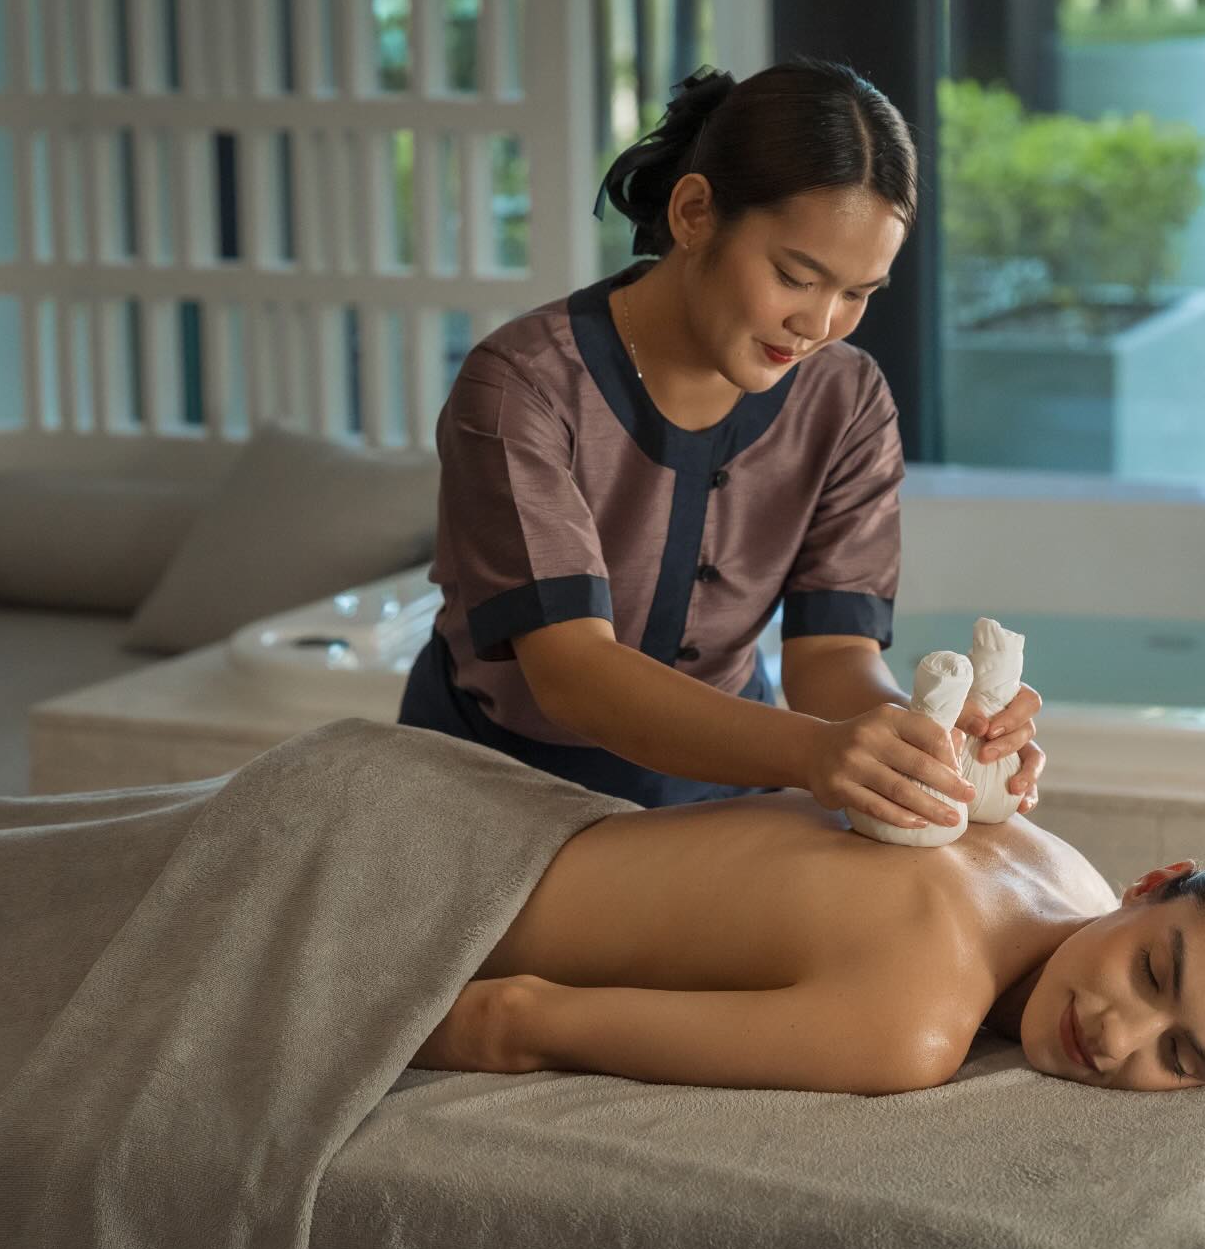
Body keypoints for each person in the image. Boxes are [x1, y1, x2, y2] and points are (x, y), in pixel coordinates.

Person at [398, 58, 1046, 827]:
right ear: (696, 213)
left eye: (857, 295)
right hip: (493, 798)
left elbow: (832, 660)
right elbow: (574, 674)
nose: (819, 324)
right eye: (796, 276)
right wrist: (812, 753)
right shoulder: (522, 387)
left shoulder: (848, 399)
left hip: (733, 797)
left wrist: (922, 736)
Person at [410, 766, 1205, 1096]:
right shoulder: (912, 1025)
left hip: (450, 794)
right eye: (1155, 973)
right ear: (1153, 885)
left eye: (1182, 1059)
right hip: (405, 881)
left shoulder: (1055, 861)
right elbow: (512, 1022)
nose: (1119, 1037)